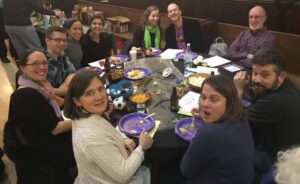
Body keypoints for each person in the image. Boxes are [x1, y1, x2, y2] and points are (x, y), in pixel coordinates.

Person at [64, 70, 153, 183]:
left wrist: (123, 138)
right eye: (89, 93)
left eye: (100, 89)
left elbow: (107, 129)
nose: (99, 97)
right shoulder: (91, 137)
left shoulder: (87, 114)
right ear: (77, 101)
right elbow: (123, 175)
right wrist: (142, 147)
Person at [5, 48, 75, 183]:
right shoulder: (26, 96)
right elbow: (55, 128)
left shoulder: (41, 86)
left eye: (44, 63)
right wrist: (83, 119)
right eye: (35, 64)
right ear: (23, 67)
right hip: (40, 158)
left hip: (43, 142)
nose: (42, 67)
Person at [234, 50, 300, 173]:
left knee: (226, 145)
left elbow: (237, 120)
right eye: (255, 73)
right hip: (285, 146)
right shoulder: (285, 85)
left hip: (275, 158)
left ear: (281, 75)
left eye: (265, 75)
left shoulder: (275, 101)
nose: (257, 79)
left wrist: (238, 89)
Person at [180, 75, 254, 184]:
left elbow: (186, 170)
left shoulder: (209, 134)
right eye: (203, 97)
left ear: (229, 102)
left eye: (214, 99)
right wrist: (204, 115)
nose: (205, 104)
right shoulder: (240, 116)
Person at [44, 26, 76, 96]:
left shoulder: (62, 56)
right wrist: (67, 90)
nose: (62, 43)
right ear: (47, 40)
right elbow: (44, 91)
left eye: (64, 40)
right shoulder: (41, 61)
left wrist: (62, 88)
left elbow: (73, 74)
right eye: (58, 40)